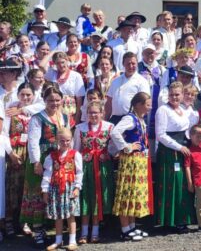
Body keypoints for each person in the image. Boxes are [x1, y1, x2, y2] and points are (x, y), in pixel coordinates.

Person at [25, 86, 71, 247]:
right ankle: (37, 231)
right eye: (51, 100)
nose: (54, 103)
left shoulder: (64, 117)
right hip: (42, 160)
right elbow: (33, 142)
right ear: (44, 100)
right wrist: (36, 162)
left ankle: (47, 229)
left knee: (52, 194)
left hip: (58, 160)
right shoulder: (37, 118)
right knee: (39, 194)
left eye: (57, 100)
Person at [154, 82, 198, 233]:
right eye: (172, 94)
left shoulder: (182, 110)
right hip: (169, 152)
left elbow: (186, 129)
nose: (174, 97)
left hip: (182, 149)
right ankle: (170, 220)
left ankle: (181, 219)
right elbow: (160, 135)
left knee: (183, 184)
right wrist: (179, 147)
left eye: (177, 94)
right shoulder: (163, 110)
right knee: (173, 184)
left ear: (182, 95)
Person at [109, 92, 153, 242]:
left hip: (138, 160)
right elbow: (115, 132)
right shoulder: (130, 118)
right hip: (130, 161)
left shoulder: (139, 119)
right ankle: (125, 229)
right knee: (126, 193)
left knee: (133, 194)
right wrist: (126, 147)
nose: (149, 107)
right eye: (147, 104)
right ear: (139, 105)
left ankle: (132, 226)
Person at [73, 101, 114, 244]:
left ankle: (95, 231)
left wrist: (108, 154)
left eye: (96, 112)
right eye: (91, 112)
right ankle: (84, 232)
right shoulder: (80, 128)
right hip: (86, 168)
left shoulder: (109, 127)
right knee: (86, 198)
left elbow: (114, 147)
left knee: (97, 198)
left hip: (102, 169)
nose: (93, 115)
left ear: (102, 113)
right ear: (87, 113)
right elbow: (76, 150)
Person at [41, 127, 83, 251]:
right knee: (58, 216)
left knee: (71, 215)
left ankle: (72, 240)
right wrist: (45, 190)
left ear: (71, 140)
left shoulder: (75, 155)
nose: (65, 143)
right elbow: (48, 174)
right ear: (57, 141)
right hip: (55, 188)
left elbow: (79, 172)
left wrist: (77, 187)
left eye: (68, 140)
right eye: (62, 140)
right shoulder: (51, 156)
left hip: (69, 188)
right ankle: (58, 240)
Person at [4, 82, 35, 236]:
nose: (25, 97)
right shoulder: (11, 109)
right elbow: (4, 133)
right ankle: (9, 221)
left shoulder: (34, 111)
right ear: (18, 95)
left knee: (26, 187)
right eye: (22, 94)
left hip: (29, 152)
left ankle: (24, 221)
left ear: (33, 96)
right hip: (15, 151)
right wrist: (11, 153)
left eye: (28, 94)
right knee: (13, 187)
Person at [105, 52, 150, 124]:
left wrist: (138, 121)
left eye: (133, 63)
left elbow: (146, 104)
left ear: (137, 64)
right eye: (128, 64)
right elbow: (109, 103)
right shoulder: (115, 81)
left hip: (132, 120)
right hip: (115, 119)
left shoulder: (142, 81)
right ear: (123, 64)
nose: (131, 66)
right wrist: (105, 121)